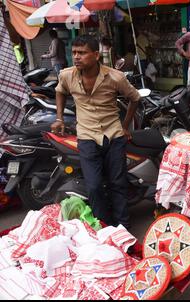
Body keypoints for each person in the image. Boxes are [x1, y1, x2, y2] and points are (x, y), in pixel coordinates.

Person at [52, 35, 141, 229]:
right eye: (74, 52)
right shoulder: (67, 75)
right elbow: (60, 91)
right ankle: (104, 228)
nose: (76, 57)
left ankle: (123, 228)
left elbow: (135, 98)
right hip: (86, 136)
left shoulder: (115, 77)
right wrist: (59, 118)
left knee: (118, 183)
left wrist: (125, 126)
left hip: (113, 135)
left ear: (96, 55)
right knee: (93, 186)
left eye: (82, 53)